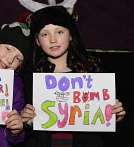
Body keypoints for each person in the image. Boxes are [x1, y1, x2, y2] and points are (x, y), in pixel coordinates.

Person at [20, 6, 126, 147]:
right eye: (45, 34)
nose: (53, 40)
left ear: (71, 35)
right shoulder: (29, 77)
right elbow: (20, 126)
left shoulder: (93, 72)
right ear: (37, 41)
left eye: (59, 32)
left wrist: (116, 117)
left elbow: (104, 122)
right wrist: (24, 118)